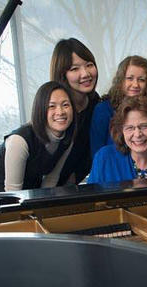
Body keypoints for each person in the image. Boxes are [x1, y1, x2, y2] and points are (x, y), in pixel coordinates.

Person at [0, 81, 77, 193]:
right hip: (0, 196)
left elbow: (51, 179)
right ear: (40, 110)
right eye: (51, 106)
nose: (60, 112)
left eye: (65, 105)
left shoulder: (67, 138)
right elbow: (12, 192)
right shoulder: (19, 141)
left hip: (30, 193)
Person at [88, 96, 147, 184]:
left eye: (144, 126)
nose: (137, 134)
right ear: (121, 131)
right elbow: (91, 200)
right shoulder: (104, 158)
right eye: (130, 128)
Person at [89, 55, 147, 158]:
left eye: (141, 80)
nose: (135, 84)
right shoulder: (103, 110)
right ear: (121, 81)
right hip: (113, 171)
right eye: (130, 78)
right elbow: (96, 153)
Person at [50, 38, 100, 184]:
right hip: (33, 188)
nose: (85, 74)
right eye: (74, 69)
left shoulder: (96, 104)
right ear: (62, 74)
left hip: (67, 188)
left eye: (89, 65)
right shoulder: (54, 110)